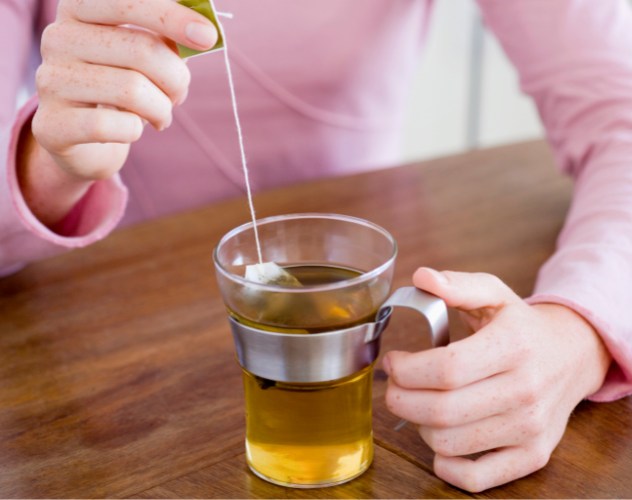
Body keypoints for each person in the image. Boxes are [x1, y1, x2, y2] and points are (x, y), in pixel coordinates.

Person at [1, 0, 631, 492]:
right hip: (95, 374)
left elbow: (619, 112)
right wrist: (49, 162)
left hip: (358, 276)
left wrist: (578, 329)